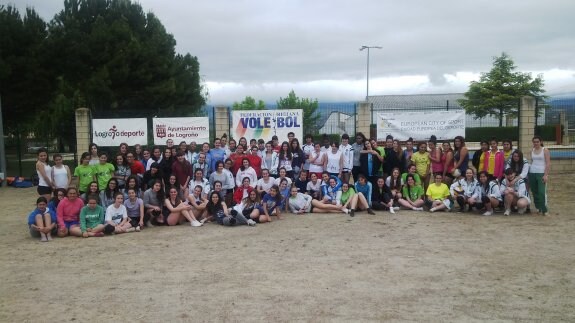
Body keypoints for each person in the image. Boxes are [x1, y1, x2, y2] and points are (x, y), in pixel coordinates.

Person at [528, 136, 550, 215]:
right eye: (534, 142)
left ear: (541, 142)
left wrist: (545, 175)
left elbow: (548, 163)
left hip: (541, 173)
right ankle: (538, 208)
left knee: (541, 192)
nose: (536, 143)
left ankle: (544, 209)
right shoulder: (532, 150)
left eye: (537, 141)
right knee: (534, 192)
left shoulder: (545, 150)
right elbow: (532, 162)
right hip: (532, 173)